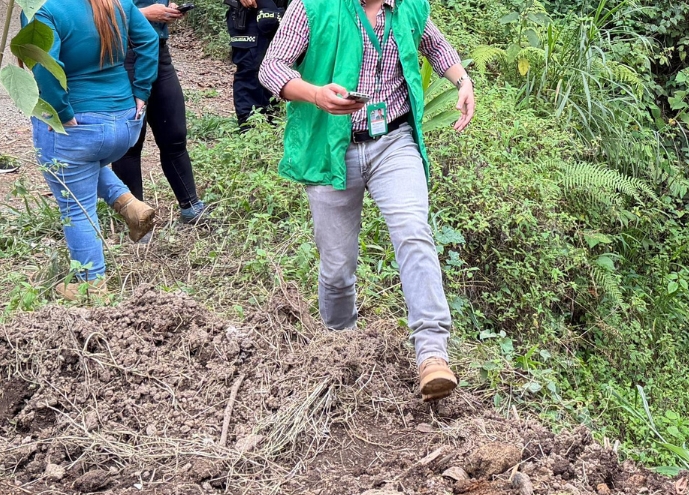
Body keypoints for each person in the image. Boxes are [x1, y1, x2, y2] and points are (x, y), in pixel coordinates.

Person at [259, 0, 476, 402]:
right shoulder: (313, 7)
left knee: (413, 230)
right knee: (337, 267)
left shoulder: (409, 6)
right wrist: (315, 94)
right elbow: (272, 68)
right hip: (331, 147)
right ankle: (341, 348)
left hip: (394, 142)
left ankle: (432, 353)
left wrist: (462, 80)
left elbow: (435, 43)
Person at [28, 0, 160, 299]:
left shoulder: (42, 8)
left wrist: (60, 111)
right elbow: (150, 39)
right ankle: (130, 205)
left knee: (76, 205)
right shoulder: (117, 1)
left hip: (78, 126)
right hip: (125, 124)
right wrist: (142, 89)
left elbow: (45, 65)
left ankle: (92, 284)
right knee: (84, 166)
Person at [111, 0, 209, 226]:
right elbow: (95, 15)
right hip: (123, 54)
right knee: (129, 142)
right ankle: (135, 218)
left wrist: (167, 9)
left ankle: (191, 207)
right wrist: (145, 14)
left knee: (174, 135)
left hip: (158, 52)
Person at [225, 0, 287, 127]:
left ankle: (273, 121)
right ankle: (249, 126)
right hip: (249, 13)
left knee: (279, 69)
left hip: (282, 12)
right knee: (250, 70)